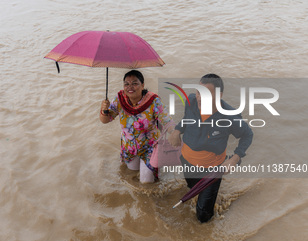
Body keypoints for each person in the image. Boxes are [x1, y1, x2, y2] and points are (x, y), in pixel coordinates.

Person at [169, 74, 253, 223]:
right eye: (199, 92)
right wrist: (177, 130)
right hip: (187, 162)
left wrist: (235, 158)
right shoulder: (191, 101)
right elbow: (186, 119)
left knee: (203, 216)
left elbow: (247, 135)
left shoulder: (230, 116)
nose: (200, 98)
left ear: (219, 95)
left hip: (212, 170)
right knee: (191, 188)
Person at [100, 70, 174, 184]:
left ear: (142, 85)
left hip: (149, 147)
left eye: (135, 83)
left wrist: (176, 133)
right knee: (131, 176)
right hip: (129, 148)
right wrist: (104, 109)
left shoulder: (153, 101)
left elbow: (167, 121)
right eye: (126, 84)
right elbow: (105, 120)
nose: (130, 87)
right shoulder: (120, 99)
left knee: (146, 182)